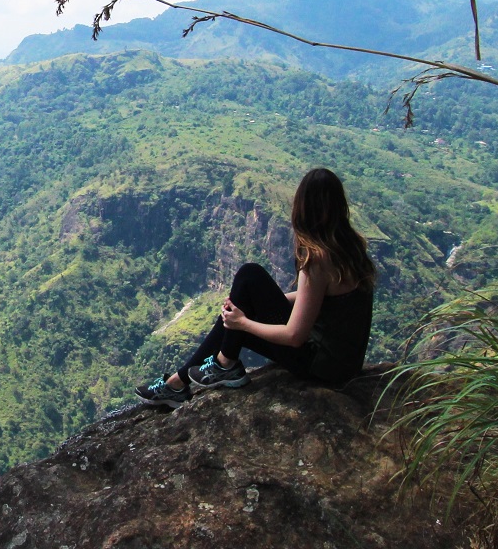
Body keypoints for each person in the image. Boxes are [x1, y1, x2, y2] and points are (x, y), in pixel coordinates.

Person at [136, 167, 376, 407]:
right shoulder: (351, 245)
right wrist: (259, 300)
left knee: (248, 278)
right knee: (240, 301)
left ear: (303, 208)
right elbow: (318, 299)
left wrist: (244, 323)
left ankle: (209, 371)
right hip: (343, 364)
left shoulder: (318, 259)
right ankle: (185, 380)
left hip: (321, 367)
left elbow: (294, 337)